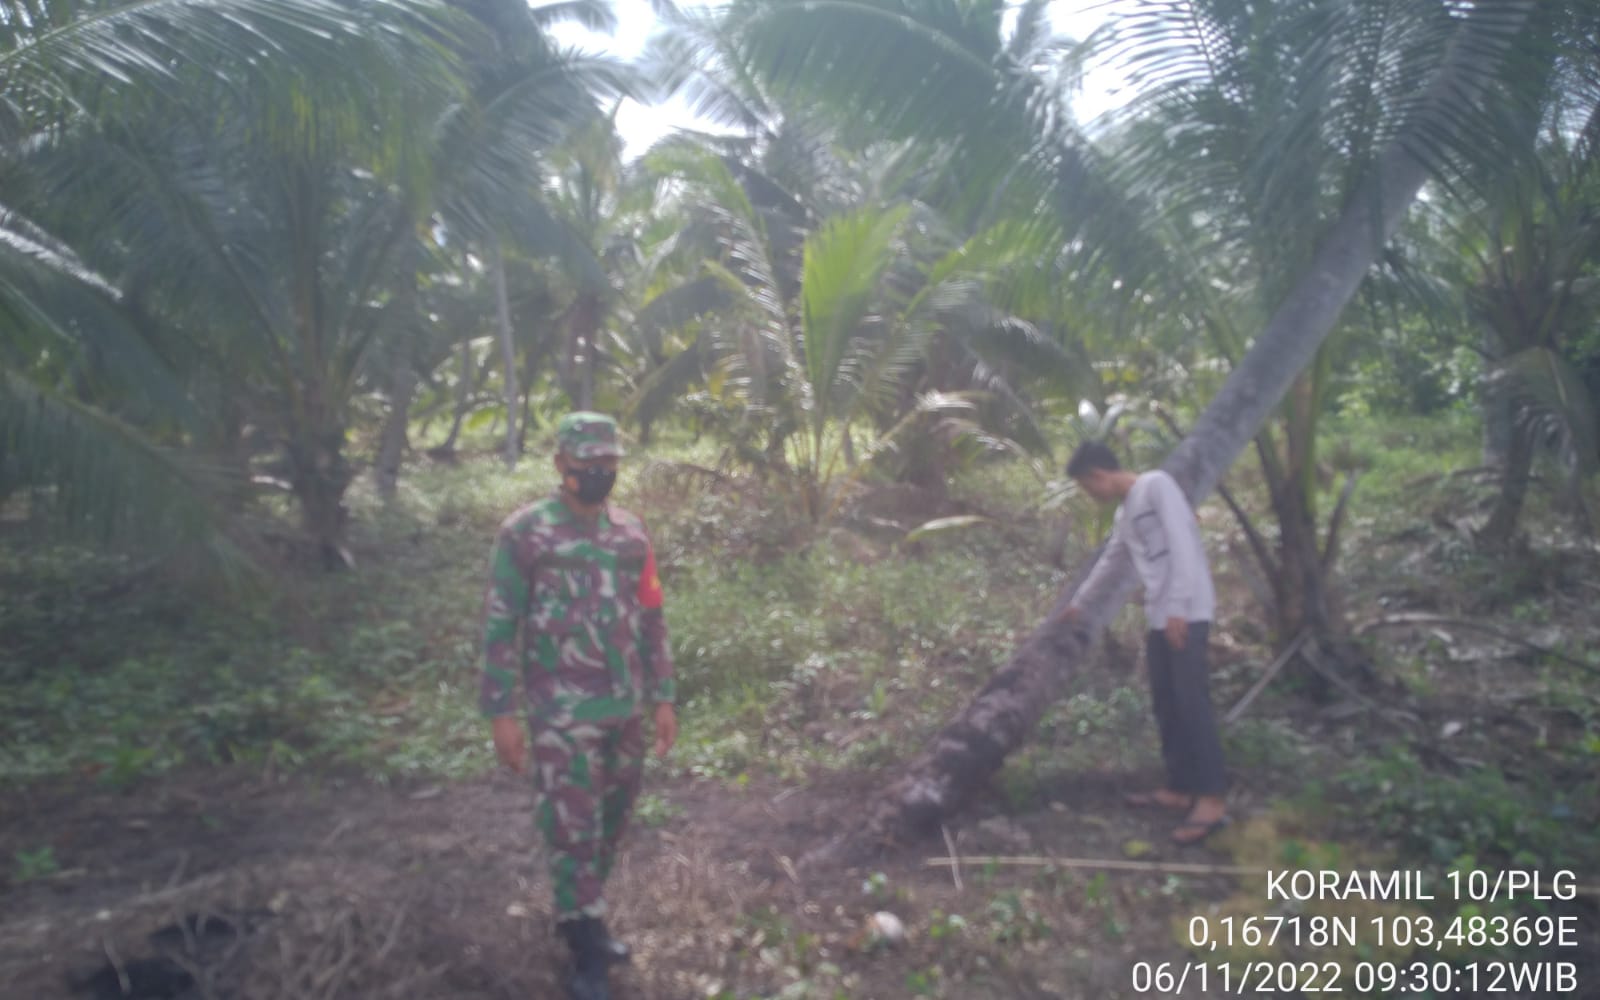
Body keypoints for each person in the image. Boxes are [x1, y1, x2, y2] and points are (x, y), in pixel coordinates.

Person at [480, 411, 678, 1000]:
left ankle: (582, 916)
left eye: (609, 463)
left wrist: (662, 697)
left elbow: (651, 617)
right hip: (559, 710)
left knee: (610, 823)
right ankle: (586, 951)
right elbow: (499, 624)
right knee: (571, 827)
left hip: (623, 708)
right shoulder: (525, 533)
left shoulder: (631, 534)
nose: (599, 473)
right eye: (587, 463)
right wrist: (501, 711)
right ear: (561, 464)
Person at [1059, 441, 1229, 845]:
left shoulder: (1157, 486)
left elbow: (1184, 546)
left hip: (1186, 610)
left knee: (1191, 702)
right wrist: (1080, 604)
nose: (1091, 496)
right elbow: (1111, 560)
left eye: (1087, 487)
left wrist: (1177, 609)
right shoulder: (1125, 513)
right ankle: (1180, 785)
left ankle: (1212, 799)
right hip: (1161, 615)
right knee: (1167, 701)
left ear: (1098, 475)